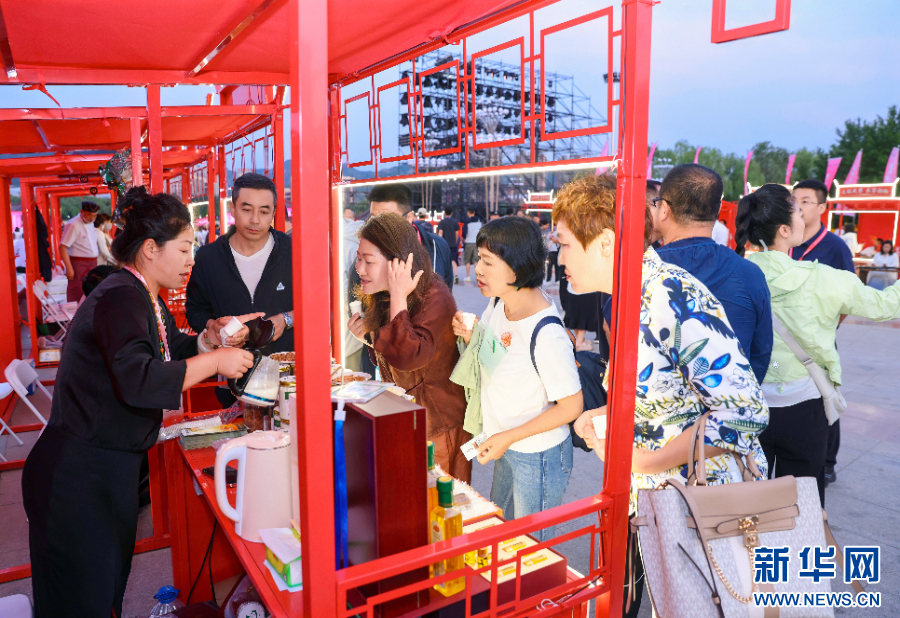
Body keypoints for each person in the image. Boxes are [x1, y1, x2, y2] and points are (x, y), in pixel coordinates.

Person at [22, 187, 256, 618]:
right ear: (150, 249)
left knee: (104, 591)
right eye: (184, 248)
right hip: (77, 474)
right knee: (82, 600)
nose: (191, 259)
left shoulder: (142, 293)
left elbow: (171, 349)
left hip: (105, 467)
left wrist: (210, 340)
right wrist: (215, 361)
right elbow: (139, 378)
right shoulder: (120, 297)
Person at [556, 174, 768, 618]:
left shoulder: (669, 294)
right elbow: (665, 393)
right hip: (661, 508)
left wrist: (643, 460)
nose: (560, 258)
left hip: (701, 511)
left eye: (566, 244)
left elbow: (744, 412)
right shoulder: (631, 295)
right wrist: (605, 412)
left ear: (606, 243)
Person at [736, 184, 900, 505]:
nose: (803, 218)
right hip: (804, 408)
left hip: (746, 405)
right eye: (798, 211)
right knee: (804, 506)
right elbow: (886, 306)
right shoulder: (823, 278)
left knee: (746, 506)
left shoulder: (733, 274)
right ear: (784, 230)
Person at [451, 217, 582, 540]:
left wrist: (508, 438)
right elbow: (494, 354)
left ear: (517, 267)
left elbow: (571, 406)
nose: (478, 269)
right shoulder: (499, 303)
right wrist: (470, 335)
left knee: (530, 547)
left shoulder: (546, 333)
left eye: (488, 261)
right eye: (479, 259)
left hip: (537, 456)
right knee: (504, 535)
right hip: (506, 443)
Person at [348, 213, 470, 481]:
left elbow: (408, 356)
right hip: (408, 416)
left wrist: (398, 296)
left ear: (399, 263)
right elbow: (390, 351)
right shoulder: (384, 295)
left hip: (437, 425)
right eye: (358, 258)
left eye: (368, 261)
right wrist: (369, 335)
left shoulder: (434, 296)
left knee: (438, 499)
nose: (360, 269)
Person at [653, 163, 772, 384]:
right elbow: (761, 354)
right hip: (729, 400)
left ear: (664, 209)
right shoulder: (750, 274)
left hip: (653, 401)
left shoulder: (638, 270)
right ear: (716, 212)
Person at [186, 172, 294, 356]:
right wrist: (214, 326)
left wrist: (286, 319)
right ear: (232, 208)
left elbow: (316, 304)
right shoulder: (208, 258)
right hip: (229, 368)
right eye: (247, 210)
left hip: (286, 368)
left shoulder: (293, 252)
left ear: (273, 213)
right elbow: (195, 310)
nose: (255, 220)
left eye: (264, 212)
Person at [791, 179, 855, 487]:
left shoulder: (835, 247)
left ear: (822, 208)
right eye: (795, 200)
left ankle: (828, 462)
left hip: (819, 341)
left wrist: (827, 329)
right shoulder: (786, 241)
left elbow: (848, 296)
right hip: (786, 340)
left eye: (805, 200)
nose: (798, 206)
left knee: (825, 397)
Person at [366, 184, 454, 290]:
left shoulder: (438, 247)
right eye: (373, 219)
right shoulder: (365, 255)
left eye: (387, 219)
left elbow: (446, 293)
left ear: (409, 217)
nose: (378, 226)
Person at [60, 201, 100, 302]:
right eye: (89, 214)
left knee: (91, 290)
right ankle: (76, 311)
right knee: (78, 290)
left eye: (95, 215)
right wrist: (69, 268)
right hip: (78, 264)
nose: (92, 218)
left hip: (92, 263)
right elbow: (63, 247)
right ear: (82, 212)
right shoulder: (73, 224)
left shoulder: (91, 223)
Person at [436, 207, 460, 283]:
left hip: (444, 245)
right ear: (451, 213)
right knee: (453, 260)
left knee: (443, 261)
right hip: (453, 244)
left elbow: (440, 233)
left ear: (444, 213)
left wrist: (439, 243)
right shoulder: (455, 222)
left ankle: (443, 277)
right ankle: (456, 275)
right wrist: (455, 242)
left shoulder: (442, 222)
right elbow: (457, 234)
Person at [462, 207, 483, 282]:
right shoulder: (479, 220)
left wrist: (464, 238)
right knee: (476, 261)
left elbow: (464, 233)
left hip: (468, 242)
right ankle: (478, 276)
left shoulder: (467, 221)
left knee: (467, 260)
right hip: (477, 242)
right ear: (474, 212)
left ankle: (468, 276)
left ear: (468, 213)